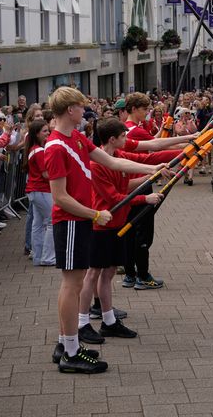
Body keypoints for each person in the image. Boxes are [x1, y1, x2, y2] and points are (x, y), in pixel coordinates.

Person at [44, 87, 165, 374]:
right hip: (71, 221)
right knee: (72, 285)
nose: (84, 111)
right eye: (80, 106)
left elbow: (112, 161)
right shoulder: (56, 146)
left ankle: (66, 343)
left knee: (74, 283)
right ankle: (71, 351)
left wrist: (151, 170)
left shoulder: (76, 138)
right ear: (69, 110)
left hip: (81, 220)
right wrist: (94, 213)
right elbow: (60, 197)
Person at [75, 118, 166, 351]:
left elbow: (129, 180)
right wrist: (144, 198)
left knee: (109, 273)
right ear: (112, 139)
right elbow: (113, 197)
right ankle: (83, 322)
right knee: (93, 273)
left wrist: (154, 173)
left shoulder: (118, 158)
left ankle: (108, 321)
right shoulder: (97, 164)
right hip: (100, 226)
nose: (127, 140)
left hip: (117, 224)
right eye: (124, 136)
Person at [25, 119, 55, 267]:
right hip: (41, 190)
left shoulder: (34, 149)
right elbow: (46, 174)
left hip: (36, 190)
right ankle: (48, 257)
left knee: (38, 224)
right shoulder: (39, 151)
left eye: (47, 130)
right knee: (51, 221)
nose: (47, 133)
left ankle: (39, 256)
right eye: (44, 131)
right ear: (36, 134)